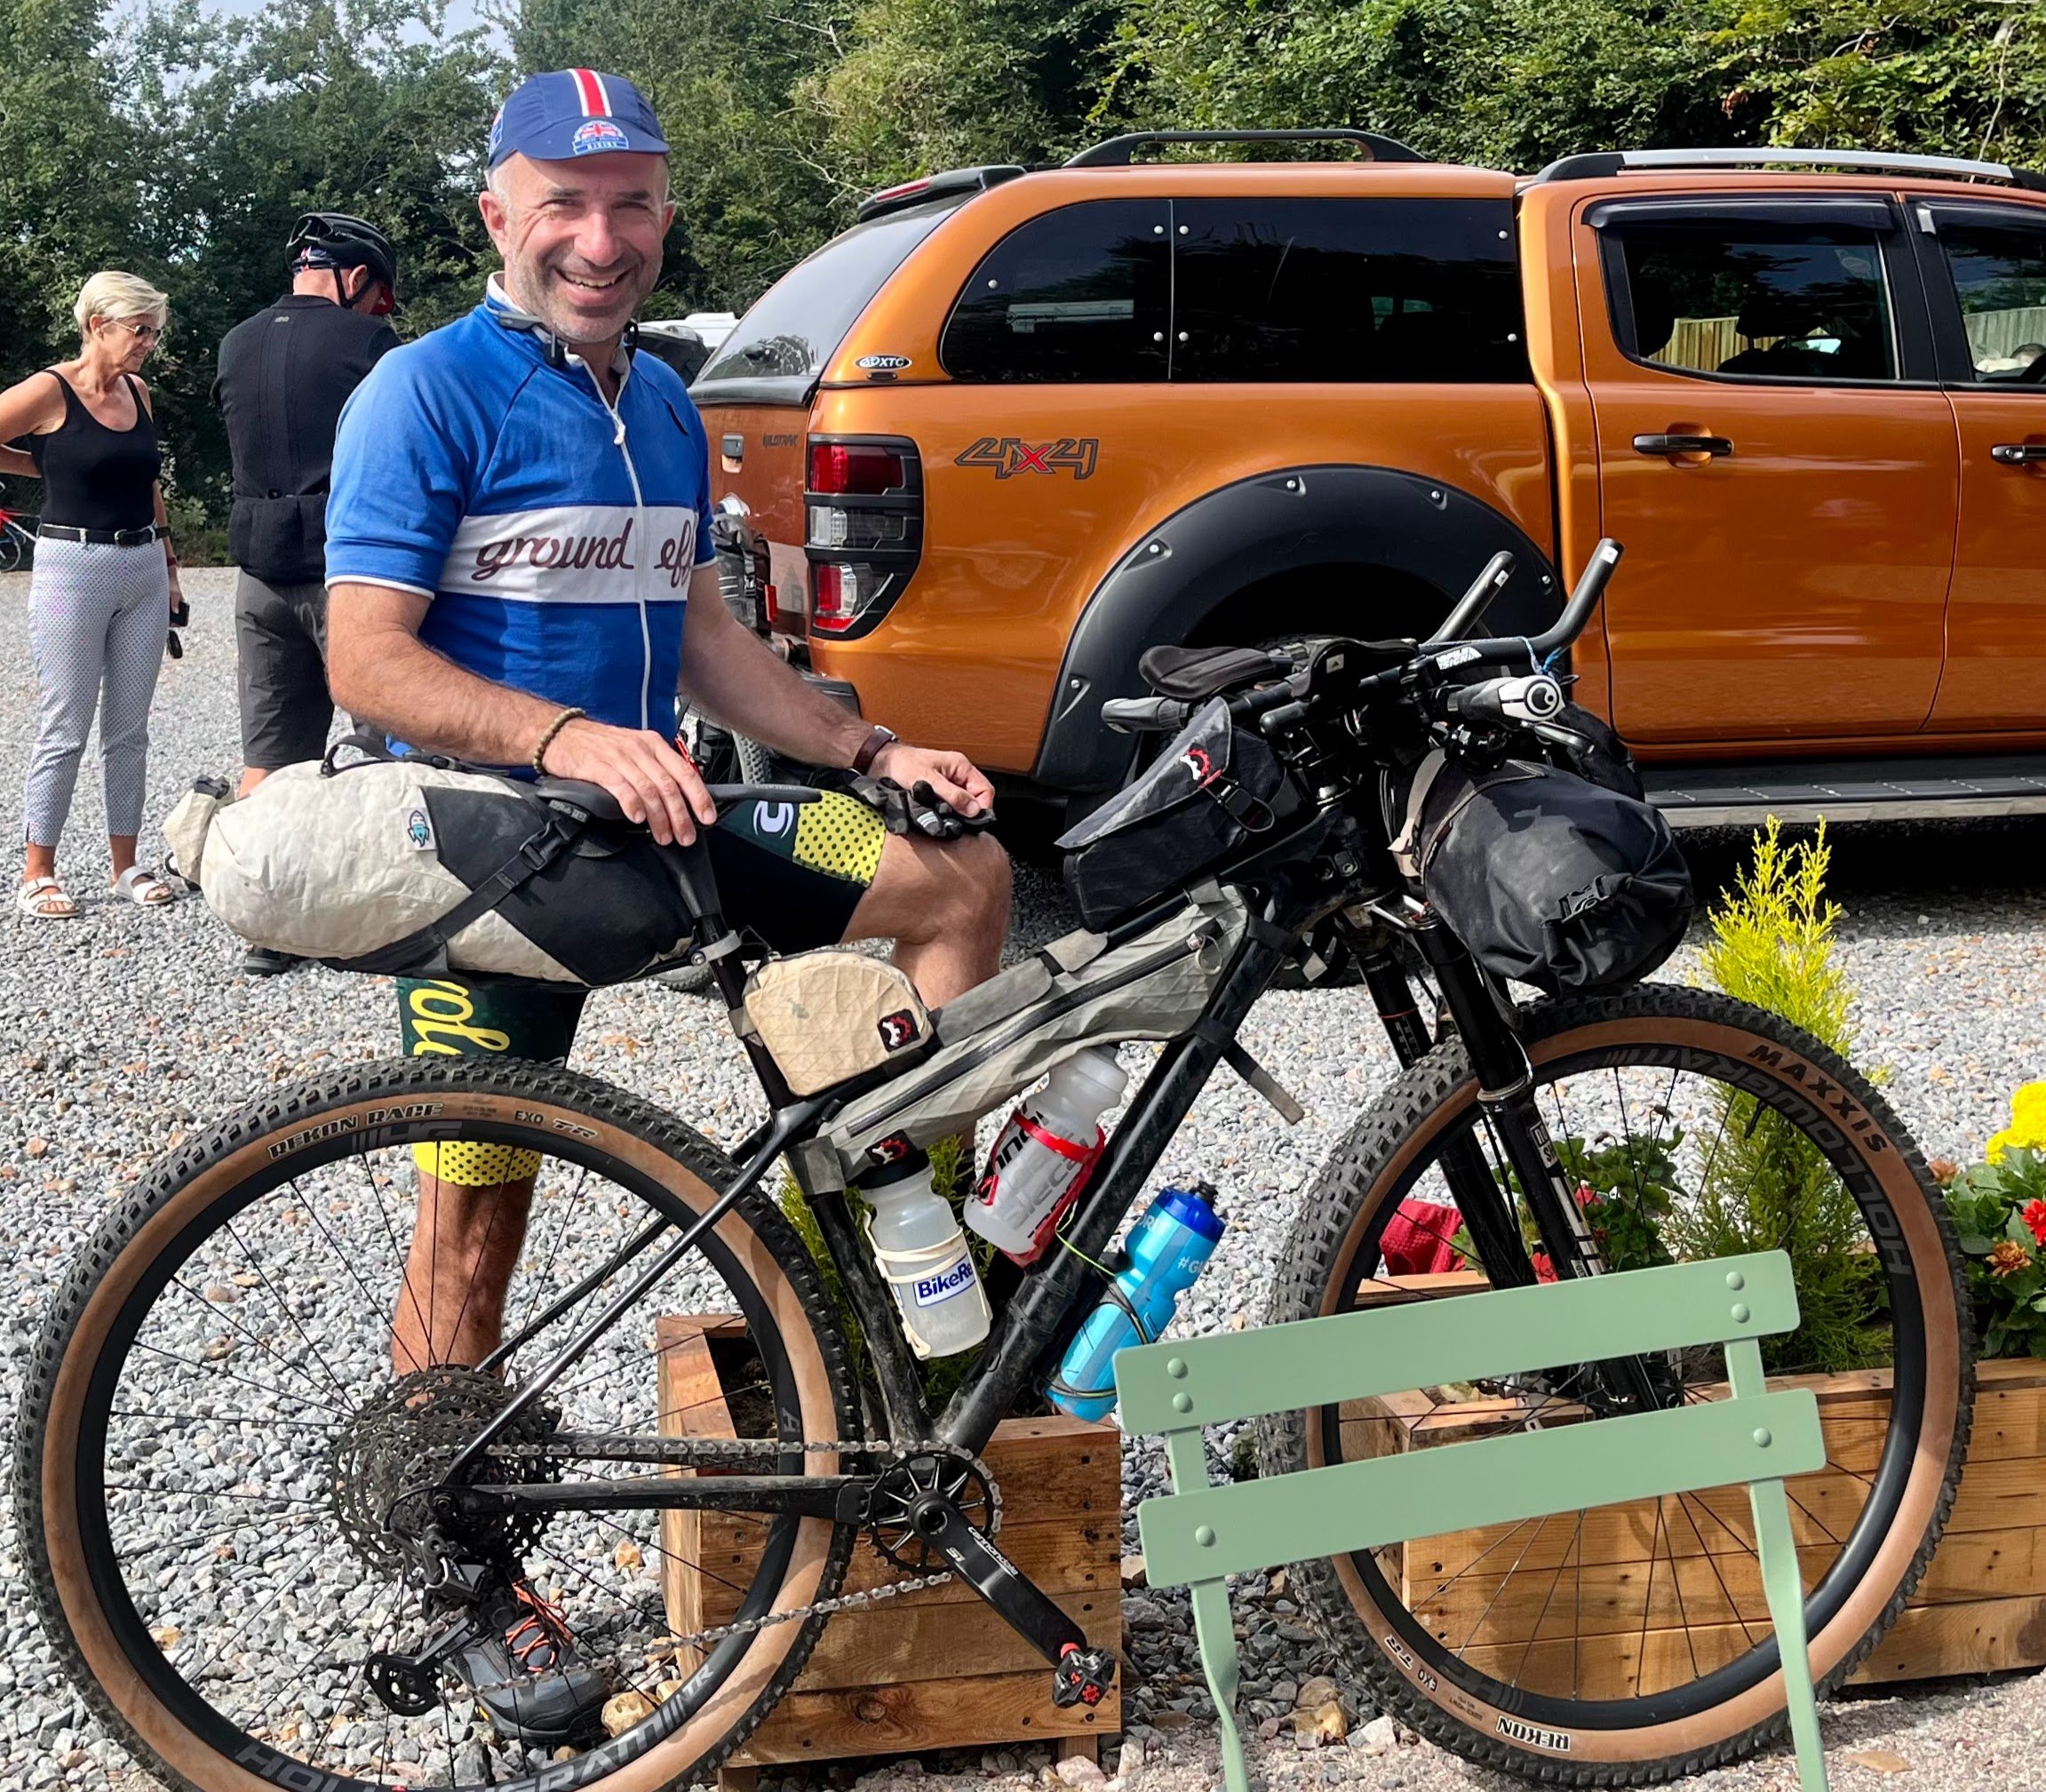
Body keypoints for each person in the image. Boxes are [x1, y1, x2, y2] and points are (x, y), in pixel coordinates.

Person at [322, 68, 1011, 1740]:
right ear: (497, 214)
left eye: (630, 202)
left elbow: (707, 642)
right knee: (477, 1198)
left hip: (669, 815)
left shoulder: (666, 403)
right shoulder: (425, 393)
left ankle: (900, 1310)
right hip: (496, 843)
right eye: (562, 201)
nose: (599, 236)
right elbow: (363, 655)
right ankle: (461, 1558)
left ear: (663, 217)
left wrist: (867, 738)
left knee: (955, 882)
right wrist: (565, 735)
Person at [214, 213, 401, 975]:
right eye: (380, 297)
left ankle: (266, 927)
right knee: (382, 743)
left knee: (269, 754)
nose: (379, 311)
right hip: (345, 567)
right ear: (357, 279)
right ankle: (382, 913)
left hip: (257, 571)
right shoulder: (367, 346)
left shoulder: (234, 342)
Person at [2, 272, 184, 919]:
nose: (147, 344)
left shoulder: (139, 392)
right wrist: (40, 463)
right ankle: (37, 870)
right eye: (139, 330)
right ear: (97, 325)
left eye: (153, 333)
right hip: (70, 566)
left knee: (129, 730)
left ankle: (124, 864)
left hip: (140, 564)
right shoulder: (49, 389)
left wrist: (169, 561)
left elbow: (148, 478)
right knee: (65, 723)